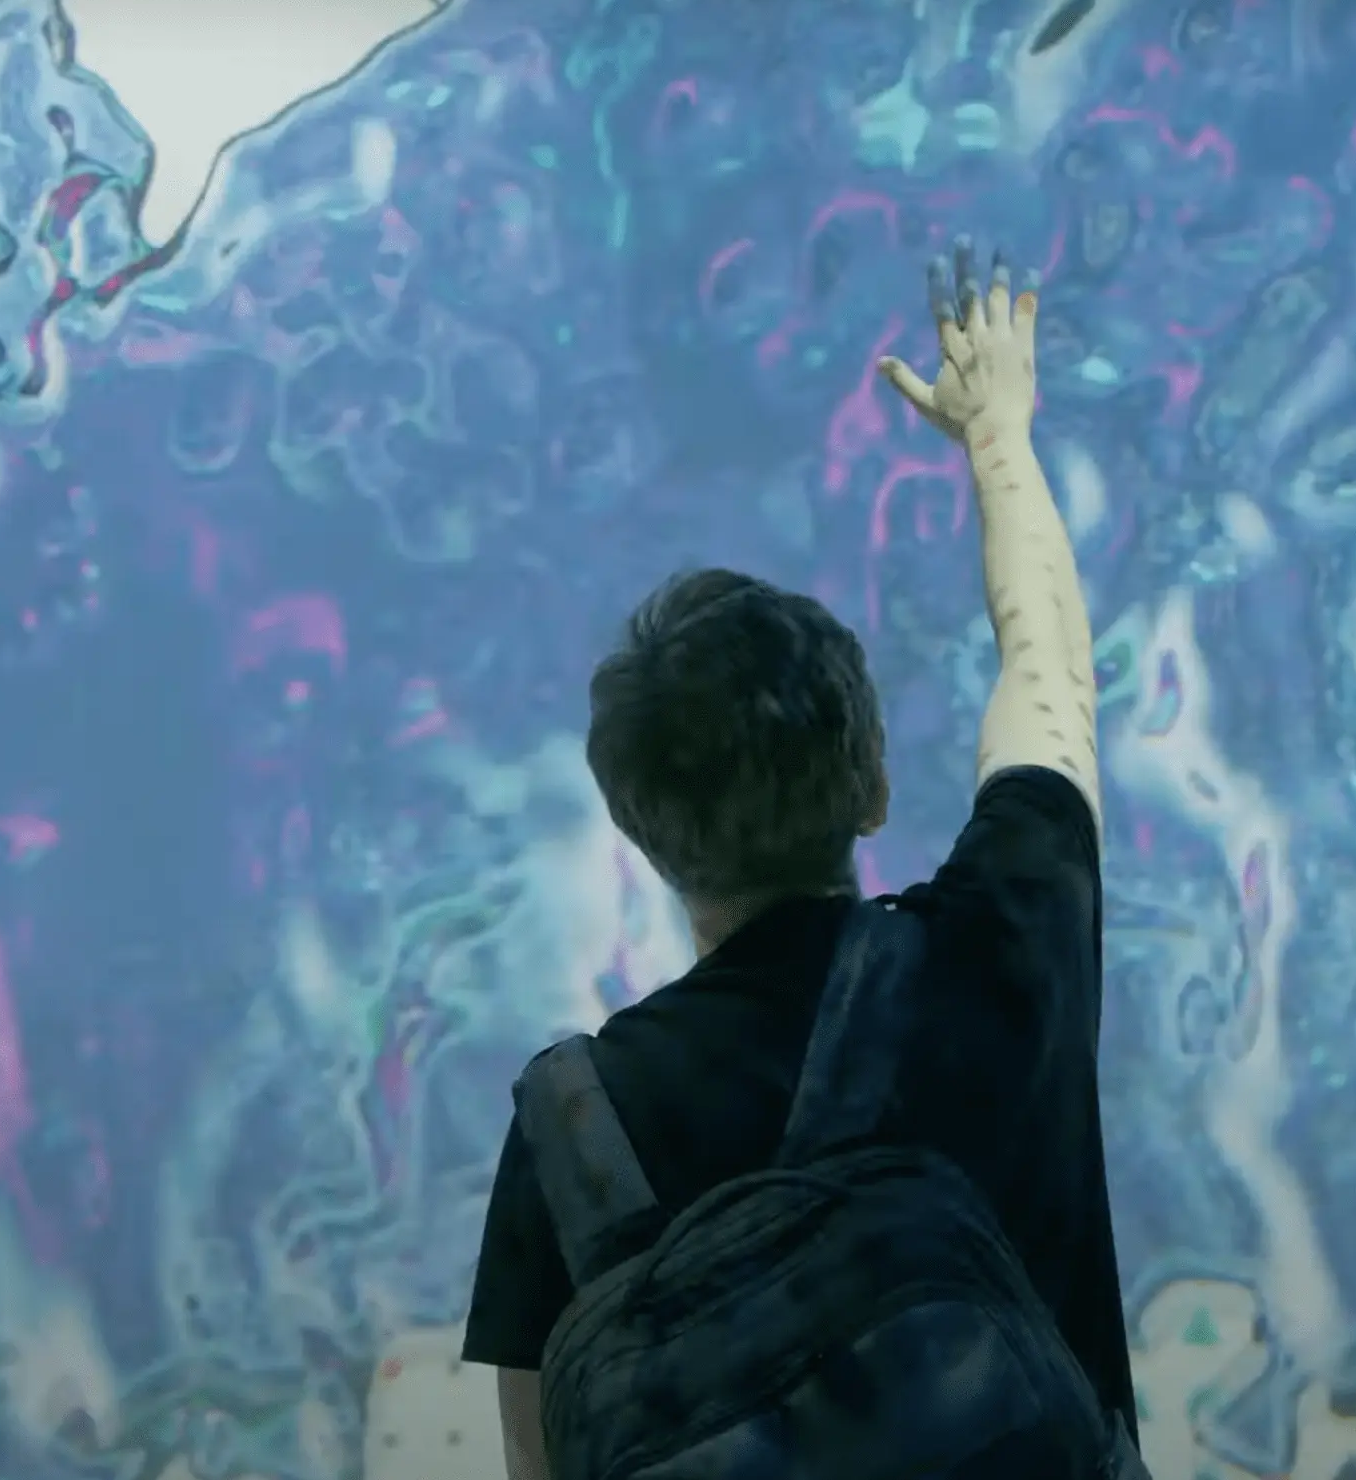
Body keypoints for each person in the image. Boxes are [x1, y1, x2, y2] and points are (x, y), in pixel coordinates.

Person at [460, 239, 1133, 1476]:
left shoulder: (570, 1137)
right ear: (872, 781)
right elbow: (1051, 680)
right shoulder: (998, 954)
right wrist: (996, 435)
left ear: (643, 835)